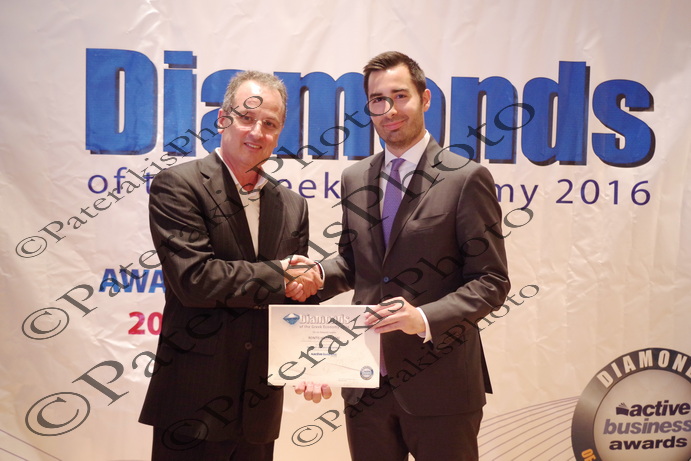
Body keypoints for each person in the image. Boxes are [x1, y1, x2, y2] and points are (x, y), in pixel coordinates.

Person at [296, 52, 510, 460]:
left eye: (400, 96)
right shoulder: (355, 177)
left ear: (425, 99)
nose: (390, 110)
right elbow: (356, 263)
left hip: (441, 385)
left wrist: (423, 318)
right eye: (378, 100)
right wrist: (317, 274)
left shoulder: (465, 178)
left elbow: (491, 281)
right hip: (365, 384)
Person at [138, 70, 322, 461]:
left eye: (269, 123)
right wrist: (282, 273)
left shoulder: (293, 205)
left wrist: (314, 360)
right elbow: (196, 280)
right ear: (223, 119)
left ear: (279, 132)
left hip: (259, 406)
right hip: (191, 405)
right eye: (247, 117)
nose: (257, 131)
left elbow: (294, 299)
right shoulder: (179, 185)